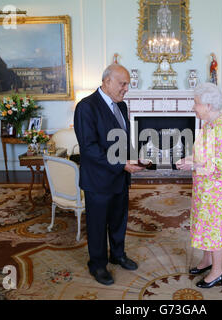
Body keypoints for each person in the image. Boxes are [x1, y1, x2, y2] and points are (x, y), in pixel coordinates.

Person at [74, 64, 144, 286]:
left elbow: (123, 139)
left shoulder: (121, 106)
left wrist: (134, 156)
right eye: (123, 84)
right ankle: (97, 264)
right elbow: (89, 148)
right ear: (107, 81)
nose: (126, 89)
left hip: (119, 178)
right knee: (97, 224)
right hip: (98, 180)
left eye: (128, 85)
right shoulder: (86, 107)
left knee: (118, 220)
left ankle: (118, 255)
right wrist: (121, 164)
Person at [176, 83, 222, 288]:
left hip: (217, 190)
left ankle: (217, 271)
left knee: (214, 228)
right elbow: (204, 155)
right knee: (204, 223)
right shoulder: (208, 125)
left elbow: (219, 164)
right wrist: (190, 159)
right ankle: (206, 260)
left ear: (209, 105)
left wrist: (192, 164)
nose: (193, 107)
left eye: (196, 103)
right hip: (205, 187)